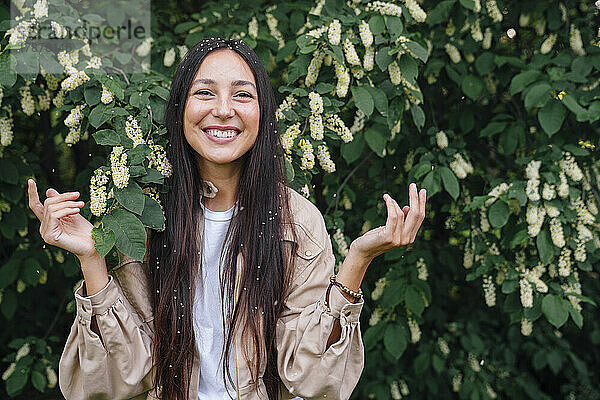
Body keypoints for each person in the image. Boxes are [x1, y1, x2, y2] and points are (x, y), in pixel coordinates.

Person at [27, 37, 427, 400]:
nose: (222, 110)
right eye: (204, 93)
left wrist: (358, 260)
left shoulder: (297, 222)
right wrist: (92, 258)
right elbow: (118, 379)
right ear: (181, 108)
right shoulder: (143, 219)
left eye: (242, 95)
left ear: (262, 112)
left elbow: (313, 379)